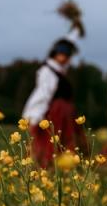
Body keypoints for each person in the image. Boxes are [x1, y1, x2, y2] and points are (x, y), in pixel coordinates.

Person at [22, 25, 87, 167]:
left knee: (68, 143)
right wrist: (33, 118)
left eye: (68, 55)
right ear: (55, 53)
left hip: (67, 114)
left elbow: (68, 42)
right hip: (56, 114)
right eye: (62, 54)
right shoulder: (48, 71)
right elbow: (43, 95)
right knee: (53, 144)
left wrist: (75, 29)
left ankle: (69, 169)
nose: (65, 58)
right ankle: (51, 170)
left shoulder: (60, 70)